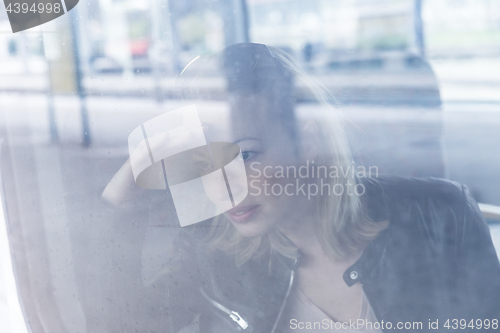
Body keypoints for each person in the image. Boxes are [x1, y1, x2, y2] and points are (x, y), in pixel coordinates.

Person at [102, 43, 500, 333]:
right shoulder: (214, 255)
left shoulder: (440, 216)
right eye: (204, 162)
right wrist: (128, 183)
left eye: (245, 156)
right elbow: (112, 317)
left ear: (307, 142)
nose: (222, 186)